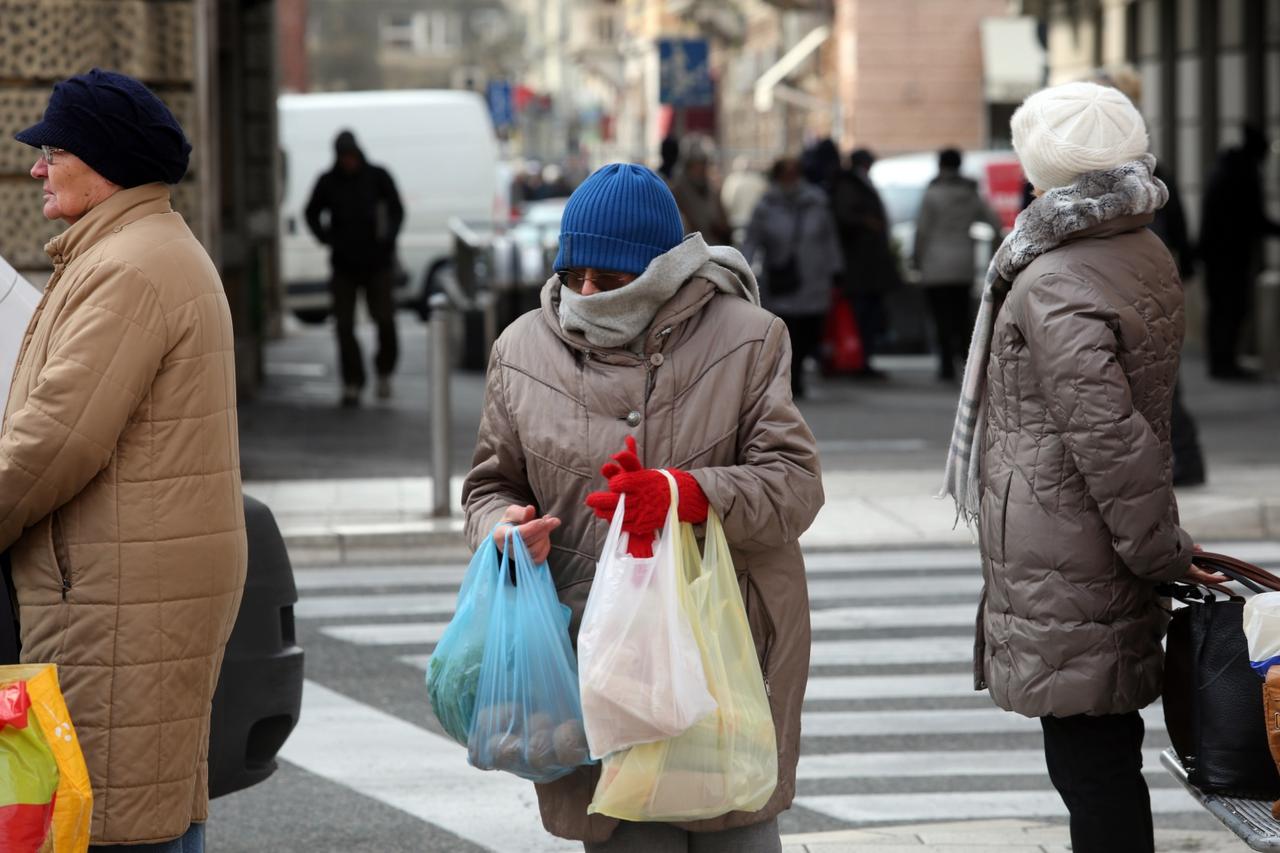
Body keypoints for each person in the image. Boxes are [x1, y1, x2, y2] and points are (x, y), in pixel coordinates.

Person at [462, 163, 824, 852]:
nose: (588, 293)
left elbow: (795, 484)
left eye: (612, 278)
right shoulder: (521, 349)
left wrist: (690, 495)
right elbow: (489, 485)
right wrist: (502, 530)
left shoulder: (748, 337)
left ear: (663, 270)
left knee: (735, 833)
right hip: (599, 659)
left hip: (725, 645)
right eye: (575, 276)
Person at [941, 81, 1223, 853]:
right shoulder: (1137, 244)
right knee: (1102, 753)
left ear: (1050, 172)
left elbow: (1106, 434)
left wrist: (1160, 547)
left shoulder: (1055, 273)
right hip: (1086, 544)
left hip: (1073, 550)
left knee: (1090, 764)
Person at [3, 68, 247, 852]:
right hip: (124, 584)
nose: (38, 167)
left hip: (114, 595)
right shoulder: (134, 252)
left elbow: (52, 441)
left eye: (55, 151)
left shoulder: (129, 269)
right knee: (144, 803)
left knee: (114, 817)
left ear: (103, 162)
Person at [305, 129, 404, 406]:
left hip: (377, 263)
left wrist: (388, 238)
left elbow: (397, 209)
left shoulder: (377, 177)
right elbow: (311, 212)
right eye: (344, 157)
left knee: (385, 320)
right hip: (344, 266)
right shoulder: (328, 182)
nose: (348, 162)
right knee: (344, 326)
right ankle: (353, 381)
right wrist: (326, 238)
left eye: (351, 156)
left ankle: (384, 371)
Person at [743, 156, 845, 398]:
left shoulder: (817, 203)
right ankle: (791, 377)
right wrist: (742, 269)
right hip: (781, 280)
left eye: (794, 172)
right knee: (786, 330)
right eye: (785, 173)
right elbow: (751, 240)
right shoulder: (765, 206)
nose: (790, 178)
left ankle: (797, 372)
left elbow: (829, 238)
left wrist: (836, 268)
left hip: (814, 277)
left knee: (810, 330)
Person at [912, 148, 1003, 381]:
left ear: (940, 165)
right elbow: (994, 224)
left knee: (940, 316)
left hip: (934, 263)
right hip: (963, 262)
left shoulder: (931, 193)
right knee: (963, 315)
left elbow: (922, 231)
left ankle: (944, 366)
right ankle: (965, 361)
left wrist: (916, 258)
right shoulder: (971, 193)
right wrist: (996, 253)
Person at [1199, 124, 1280, 380]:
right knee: (1230, 310)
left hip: (1218, 255)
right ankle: (1225, 364)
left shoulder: (1226, 169)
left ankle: (1221, 362)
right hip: (1229, 256)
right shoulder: (1241, 174)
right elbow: (1252, 218)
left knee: (1222, 310)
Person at [829, 148, 900, 377]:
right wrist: (867, 222)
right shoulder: (851, 185)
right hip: (860, 263)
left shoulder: (852, 183)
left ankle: (861, 359)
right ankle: (857, 360)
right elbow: (846, 217)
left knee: (866, 312)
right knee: (862, 314)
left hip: (863, 262)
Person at [669, 149, 733, 246]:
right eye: (696, 166)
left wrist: (721, 228)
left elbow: (724, 224)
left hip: (715, 247)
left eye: (703, 165)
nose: (700, 170)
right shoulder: (677, 192)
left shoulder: (712, 191)